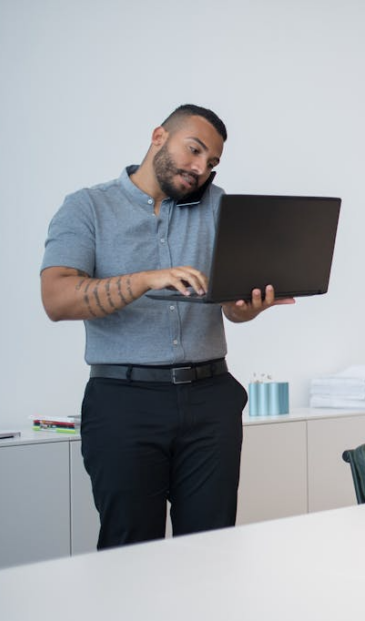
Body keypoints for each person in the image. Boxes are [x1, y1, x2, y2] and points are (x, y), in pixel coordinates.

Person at [40, 104, 293, 549]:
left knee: (211, 549)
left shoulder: (219, 207)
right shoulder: (88, 208)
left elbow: (229, 308)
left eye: (211, 162)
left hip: (210, 400)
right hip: (124, 404)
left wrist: (247, 307)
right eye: (193, 150)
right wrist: (146, 278)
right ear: (158, 136)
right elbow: (57, 299)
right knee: (129, 549)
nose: (200, 168)